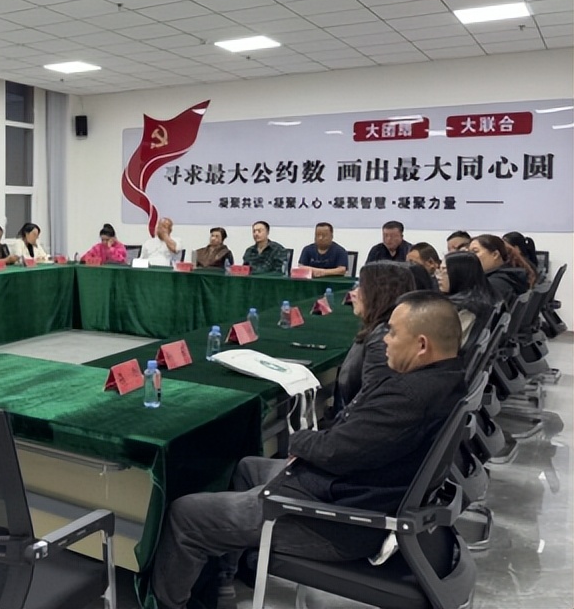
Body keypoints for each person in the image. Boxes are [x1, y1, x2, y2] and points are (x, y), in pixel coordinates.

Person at [152, 291, 466, 609]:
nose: (385, 339)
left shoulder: (409, 397)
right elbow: (351, 442)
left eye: (394, 333)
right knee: (248, 467)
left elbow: (335, 450)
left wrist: (300, 443)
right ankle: (226, 579)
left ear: (422, 345)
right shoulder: (447, 379)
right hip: (348, 490)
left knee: (186, 515)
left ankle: (170, 604)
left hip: (336, 522)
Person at [333, 261, 417, 411]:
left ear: (380, 294)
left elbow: (371, 405)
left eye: (361, 287)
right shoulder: (379, 331)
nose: (353, 293)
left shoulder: (383, 341)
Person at [438, 251, 498, 346]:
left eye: (444, 271)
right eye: (439, 271)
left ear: (459, 274)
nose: (438, 277)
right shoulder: (485, 297)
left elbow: (446, 346)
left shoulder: (465, 309)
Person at [469, 234, 534, 302]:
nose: (469, 256)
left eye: (475, 251)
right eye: (468, 252)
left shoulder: (494, 284)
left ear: (495, 254)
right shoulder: (510, 277)